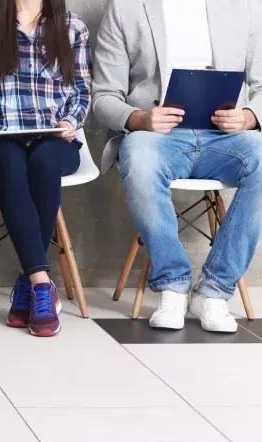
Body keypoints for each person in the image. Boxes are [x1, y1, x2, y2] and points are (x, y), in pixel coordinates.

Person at [93, 0, 262, 333]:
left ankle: (214, 291)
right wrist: (139, 118)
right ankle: (173, 285)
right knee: (138, 154)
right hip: (157, 137)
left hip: (225, 138)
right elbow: (103, 96)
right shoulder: (126, 8)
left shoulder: (245, 6)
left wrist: (249, 117)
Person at [0, 0, 91, 337]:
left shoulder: (73, 26)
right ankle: (42, 285)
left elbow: (83, 90)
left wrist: (71, 121)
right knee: (12, 163)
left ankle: (28, 284)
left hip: (53, 136)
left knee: (44, 163)